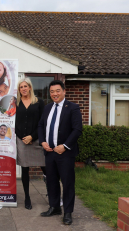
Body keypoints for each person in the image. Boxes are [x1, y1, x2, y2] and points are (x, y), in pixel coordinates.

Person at [38, 80, 82, 225]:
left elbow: (77, 130)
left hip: (65, 153)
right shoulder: (48, 107)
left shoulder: (73, 107)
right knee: (51, 182)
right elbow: (41, 125)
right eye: (52, 92)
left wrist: (65, 146)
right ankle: (54, 207)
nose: (54, 94)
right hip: (49, 152)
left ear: (64, 91)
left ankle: (68, 213)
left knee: (67, 183)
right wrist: (43, 141)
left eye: (57, 91)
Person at [14, 78, 46, 210]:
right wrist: (23, 137)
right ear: (19, 89)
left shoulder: (39, 103)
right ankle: (27, 197)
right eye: (21, 87)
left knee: (46, 168)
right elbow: (14, 123)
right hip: (21, 140)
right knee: (25, 170)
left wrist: (32, 136)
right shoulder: (15, 104)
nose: (23, 89)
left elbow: (43, 122)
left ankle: (53, 194)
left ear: (30, 87)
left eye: (25, 86)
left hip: (37, 139)